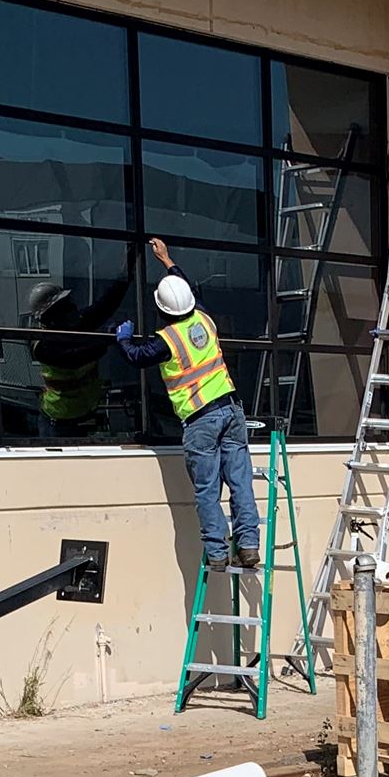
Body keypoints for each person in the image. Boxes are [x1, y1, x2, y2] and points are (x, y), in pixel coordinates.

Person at [111, 236, 260, 569]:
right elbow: (187, 287)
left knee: (207, 489)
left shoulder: (167, 340)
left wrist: (121, 337)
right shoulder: (204, 318)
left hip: (201, 420)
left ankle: (218, 554)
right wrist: (167, 260)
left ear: (161, 309)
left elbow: (136, 357)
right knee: (240, 482)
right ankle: (248, 546)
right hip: (232, 410)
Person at [25, 269, 132, 436]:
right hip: (59, 424)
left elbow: (105, 306)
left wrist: (126, 272)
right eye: (66, 306)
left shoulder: (72, 326)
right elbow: (75, 357)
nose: (73, 308)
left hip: (87, 413)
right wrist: (107, 337)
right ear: (52, 316)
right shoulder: (42, 346)